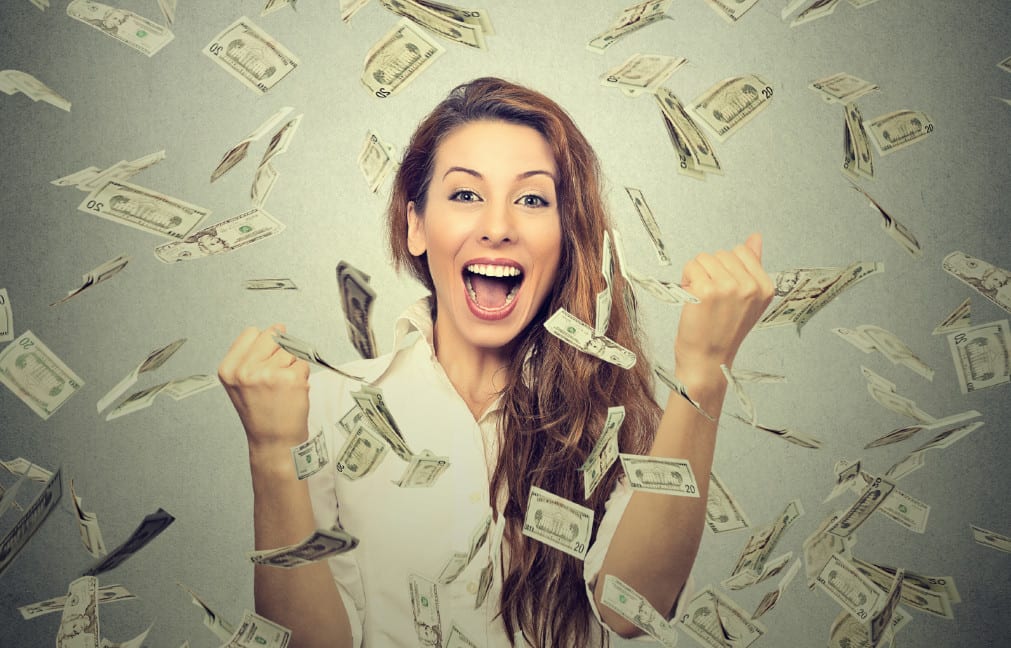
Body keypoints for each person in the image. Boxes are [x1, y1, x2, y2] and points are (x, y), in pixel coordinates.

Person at [218, 77, 774, 648]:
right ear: (415, 225)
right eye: (465, 195)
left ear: (567, 234)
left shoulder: (614, 416)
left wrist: (704, 375)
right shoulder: (324, 410)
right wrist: (271, 454)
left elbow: (631, 610)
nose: (499, 227)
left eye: (532, 199)